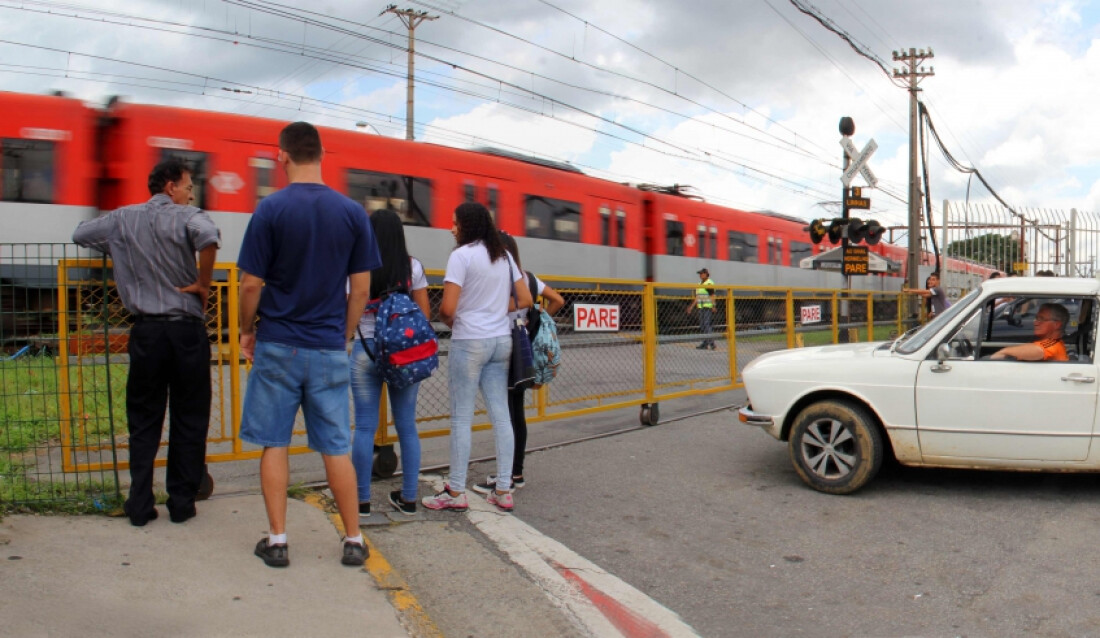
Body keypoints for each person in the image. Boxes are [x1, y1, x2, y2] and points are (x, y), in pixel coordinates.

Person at [237, 122, 381, 568]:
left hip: (278, 344)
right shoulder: (352, 213)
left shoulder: (270, 209)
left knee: (274, 442)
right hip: (327, 347)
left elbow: (250, 284)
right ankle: (353, 540)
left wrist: (246, 330)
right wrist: (344, 334)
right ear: (322, 154)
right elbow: (361, 290)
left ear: (282, 155)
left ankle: (278, 541)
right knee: (336, 446)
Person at [72, 158, 220, 527]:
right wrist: (202, 284)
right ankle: (181, 504)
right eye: (188, 187)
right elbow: (208, 236)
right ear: (171, 187)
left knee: (144, 418)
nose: (190, 195)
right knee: (189, 416)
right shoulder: (188, 216)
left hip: (147, 333)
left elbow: (80, 234)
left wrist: (122, 248)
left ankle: (139, 503)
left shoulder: (122, 219)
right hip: (186, 332)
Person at [422, 203, 532, 513]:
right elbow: (525, 298)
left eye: (455, 223)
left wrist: (457, 320)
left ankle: (455, 492)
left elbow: (447, 309)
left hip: (470, 341)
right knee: (501, 415)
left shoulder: (461, 256)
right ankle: (503, 489)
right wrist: (494, 310)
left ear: (467, 225)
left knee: (461, 418)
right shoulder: (504, 256)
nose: (451, 229)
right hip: (500, 342)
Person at [350, 209, 430, 518]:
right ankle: (408, 499)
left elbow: (349, 307)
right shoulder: (412, 267)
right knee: (407, 425)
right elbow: (423, 315)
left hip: (365, 351)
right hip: (402, 354)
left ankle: (361, 502)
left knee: (364, 427)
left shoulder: (357, 264)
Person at [471, 231, 564, 495]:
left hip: (504, 349)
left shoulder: (502, 279)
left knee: (506, 414)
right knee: (516, 412)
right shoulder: (530, 278)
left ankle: (508, 478)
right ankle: (516, 472)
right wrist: (537, 318)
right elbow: (558, 300)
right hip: (524, 349)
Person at [991, 303, 1069, 361]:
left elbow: (1038, 351)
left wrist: (1003, 352)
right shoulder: (1051, 343)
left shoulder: (1053, 345)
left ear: (1056, 325)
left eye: (1041, 319)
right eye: (1036, 318)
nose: (1035, 322)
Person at [686, 267, 716, 349]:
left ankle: (711, 343)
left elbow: (712, 295)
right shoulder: (699, 284)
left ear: (706, 274)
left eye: (702, 273)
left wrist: (713, 305)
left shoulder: (709, 283)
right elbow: (697, 297)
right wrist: (691, 307)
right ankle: (706, 343)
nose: (700, 275)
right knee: (702, 325)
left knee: (706, 324)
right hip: (701, 307)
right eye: (700, 274)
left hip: (707, 306)